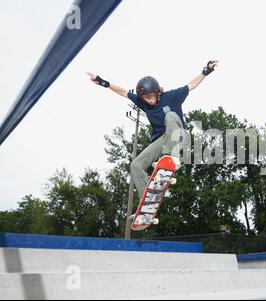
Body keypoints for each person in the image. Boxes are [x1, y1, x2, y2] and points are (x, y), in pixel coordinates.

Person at [86, 60, 218, 211]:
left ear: (157, 92)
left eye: (149, 97)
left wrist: (206, 71)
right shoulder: (144, 103)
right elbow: (123, 92)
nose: (147, 101)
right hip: (162, 141)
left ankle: (170, 158)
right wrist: (103, 82)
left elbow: (191, 85)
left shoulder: (172, 96)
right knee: (135, 165)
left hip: (179, 137)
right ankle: (149, 202)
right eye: (144, 99)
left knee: (170, 116)